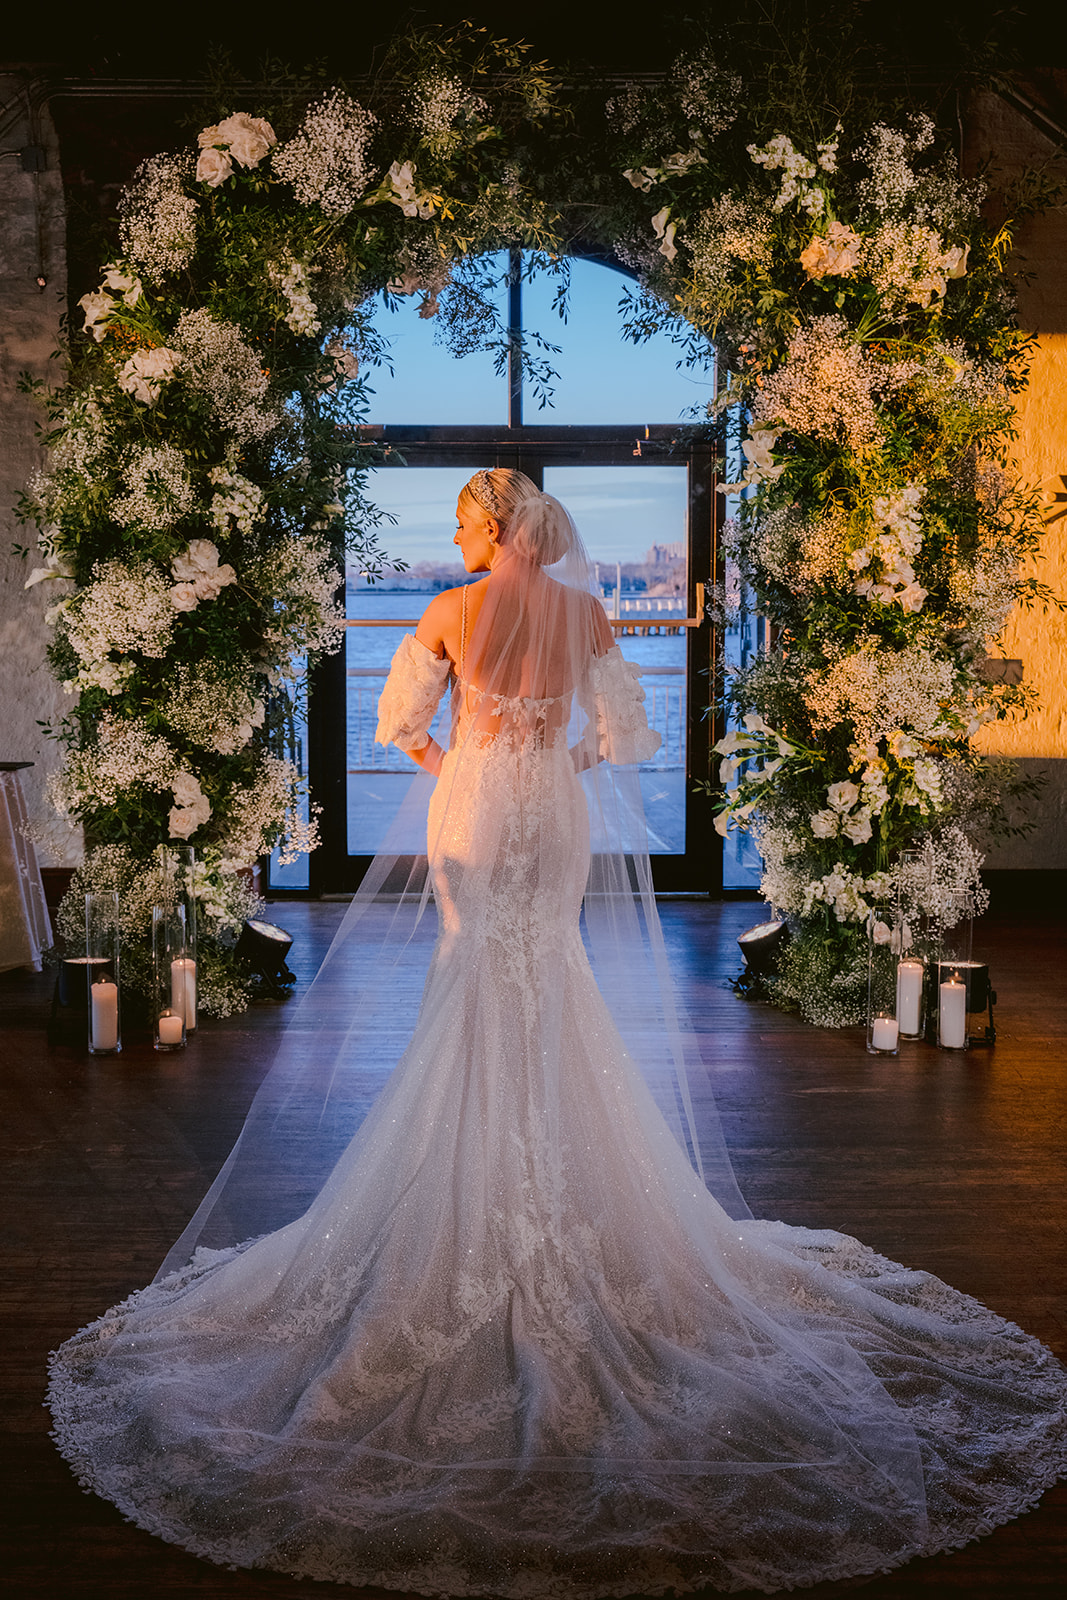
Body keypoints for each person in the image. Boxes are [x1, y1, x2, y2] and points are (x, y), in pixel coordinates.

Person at [48, 470, 1067, 1598]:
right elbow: (621, 733)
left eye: (461, 521)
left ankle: (466, 1164)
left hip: (478, 802)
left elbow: (398, 727)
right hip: (554, 807)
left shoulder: (447, 611)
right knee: (549, 969)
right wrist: (549, 760)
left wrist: (468, 767)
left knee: (469, 972)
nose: (455, 535)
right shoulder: (587, 611)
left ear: (496, 526)